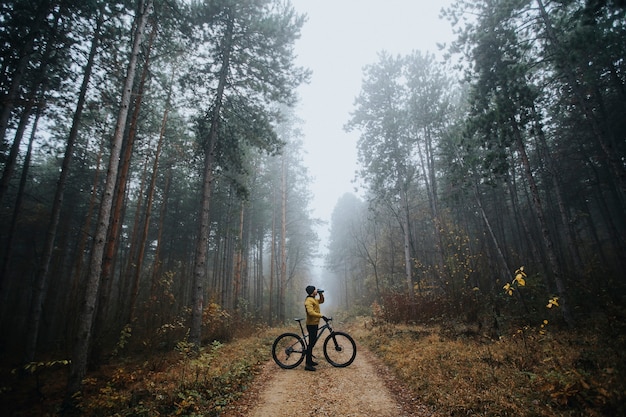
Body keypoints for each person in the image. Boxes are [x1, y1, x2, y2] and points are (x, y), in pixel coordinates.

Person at [304, 285, 326, 371]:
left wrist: (321, 294)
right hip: (311, 324)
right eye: (315, 289)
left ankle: (310, 361)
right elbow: (310, 312)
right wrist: (322, 316)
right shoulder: (308, 301)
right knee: (311, 344)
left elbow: (321, 301)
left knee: (312, 343)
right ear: (312, 291)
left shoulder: (313, 299)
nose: (316, 290)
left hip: (315, 324)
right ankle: (307, 365)